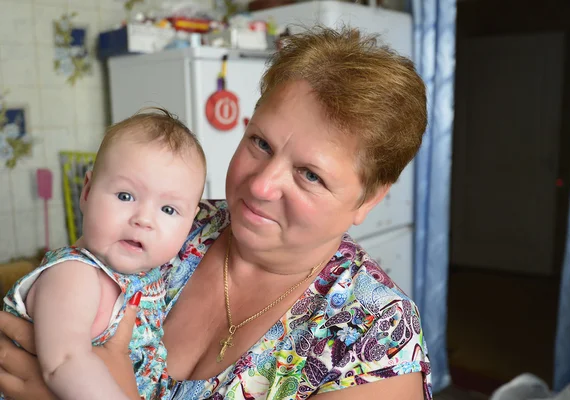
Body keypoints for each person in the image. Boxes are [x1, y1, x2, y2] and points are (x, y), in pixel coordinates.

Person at [0, 26, 432, 399]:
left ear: (369, 199)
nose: (261, 185)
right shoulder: (173, 224)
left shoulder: (375, 341)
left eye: (310, 175)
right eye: (260, 143)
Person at [0, 108, 207, 400]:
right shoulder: (74, 274)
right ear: (87, 192)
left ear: (190, 222)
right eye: (125, 196)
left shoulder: (150, 277)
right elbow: (65, 363)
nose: (144, 219)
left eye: (168, 209)